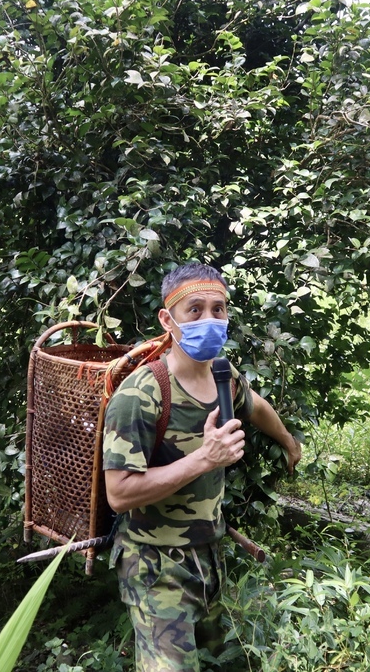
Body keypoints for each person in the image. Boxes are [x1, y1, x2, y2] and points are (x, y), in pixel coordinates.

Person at [103, 263, 302, 672]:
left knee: (222, 662)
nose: (209, 320)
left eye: (219, 309)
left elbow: (256, 405)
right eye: (195, 310)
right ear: (167, 318)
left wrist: (287, 441)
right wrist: (203, 459)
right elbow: (119, 494)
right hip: (155, 565)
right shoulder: (141, 394)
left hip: (210, 555)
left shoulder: (222, 374)